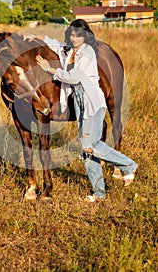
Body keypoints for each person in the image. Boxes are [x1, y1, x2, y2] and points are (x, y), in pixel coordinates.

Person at [35, 19, 138, 203]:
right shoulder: (69, 50)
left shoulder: (88, 51)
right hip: (79, 103)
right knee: (87, 151)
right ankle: (99, 193)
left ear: (86, 36)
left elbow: (74, 77)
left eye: (79, 35)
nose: (75, 38)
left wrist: (50, 69)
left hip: (92, 101)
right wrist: (32, 39)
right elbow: (54, 44)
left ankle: (128, 165)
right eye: (72, 35)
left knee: (88, 145)